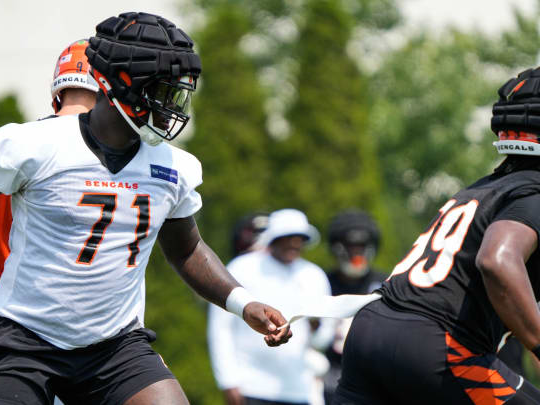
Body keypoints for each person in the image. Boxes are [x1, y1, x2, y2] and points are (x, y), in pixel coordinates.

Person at [0, 12, 292, 405]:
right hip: (22, 344)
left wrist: (244, 302)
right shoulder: (33, 145)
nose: (172, 107)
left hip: (115, 348)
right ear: (123, 84)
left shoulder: (172, 166)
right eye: (163, 91)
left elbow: (187, 250)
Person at [333, 66, 540, 405]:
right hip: (435, 345)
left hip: (371, 329)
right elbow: (497, 261)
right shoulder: (532, 191)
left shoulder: (483, 188)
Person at [0, 38, 99, 322]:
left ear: (58, 92)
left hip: (13, 319)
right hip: (90, 326)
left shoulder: (1, 148)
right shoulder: (115, 157)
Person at [208, 209, 333, 405]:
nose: (293, 243)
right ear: (273, 238)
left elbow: (322, 339)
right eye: (287, 237)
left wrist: (316, 327)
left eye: (299, 238)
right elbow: (221, 328)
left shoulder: (314, 276)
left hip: (299, 390)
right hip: (252, 386)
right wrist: (228, 381)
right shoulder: (242, 268)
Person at [321, 210, 385, 403]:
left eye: (361, 246)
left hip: (371, 376)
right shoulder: (322, 282)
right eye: (351, 246)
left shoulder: (384, 284)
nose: (356, 253)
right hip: (328, 372)